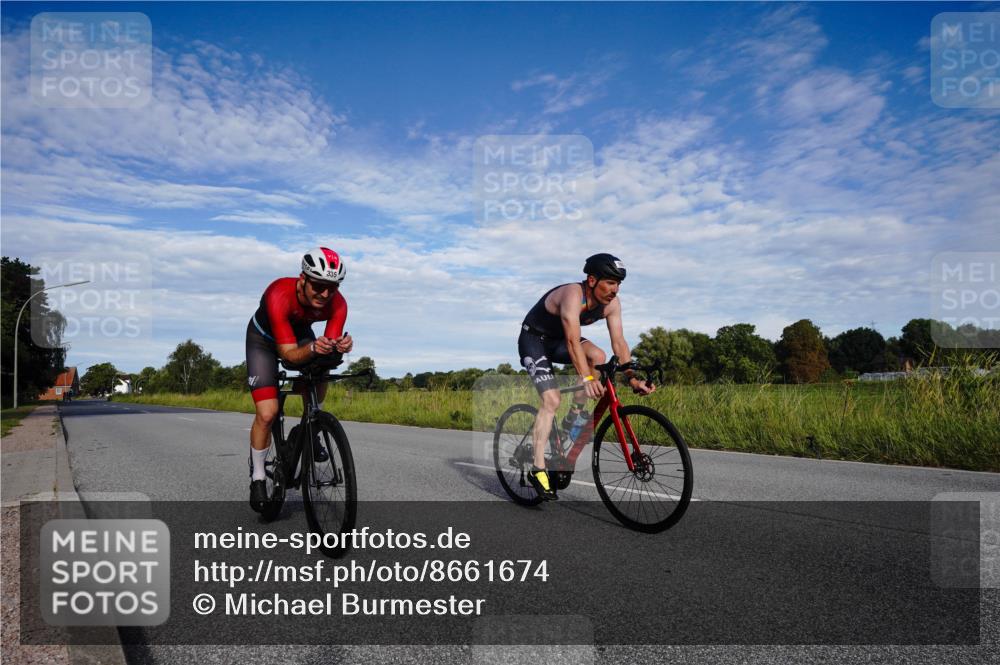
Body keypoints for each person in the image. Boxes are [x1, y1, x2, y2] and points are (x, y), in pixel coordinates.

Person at [517, 253, 654, 500]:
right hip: (534, 340)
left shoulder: (612, 304)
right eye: (610, 282)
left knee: (599, 356)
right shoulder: (572, 295)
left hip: (557, 341)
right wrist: (587, 379)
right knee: (551, 400)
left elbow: (619, 342)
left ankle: (574, 417)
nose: (615, 289)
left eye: (619, 283)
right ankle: (538, 469)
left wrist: (632, 378)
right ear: (592, 280)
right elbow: (572, 340)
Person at [245, 247, 354, 511]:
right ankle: (258, 476)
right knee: (268, 412)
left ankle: (311, 424)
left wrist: (339, 346)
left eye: (332, 287)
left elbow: (326, 347)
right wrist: (315, 348)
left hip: (299, 335)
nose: (325, 294)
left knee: (323, 365)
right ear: (302, 279)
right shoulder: (279, 294)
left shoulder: (338, 303)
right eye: (318, 286)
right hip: (264, 342)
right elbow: (289, 355)